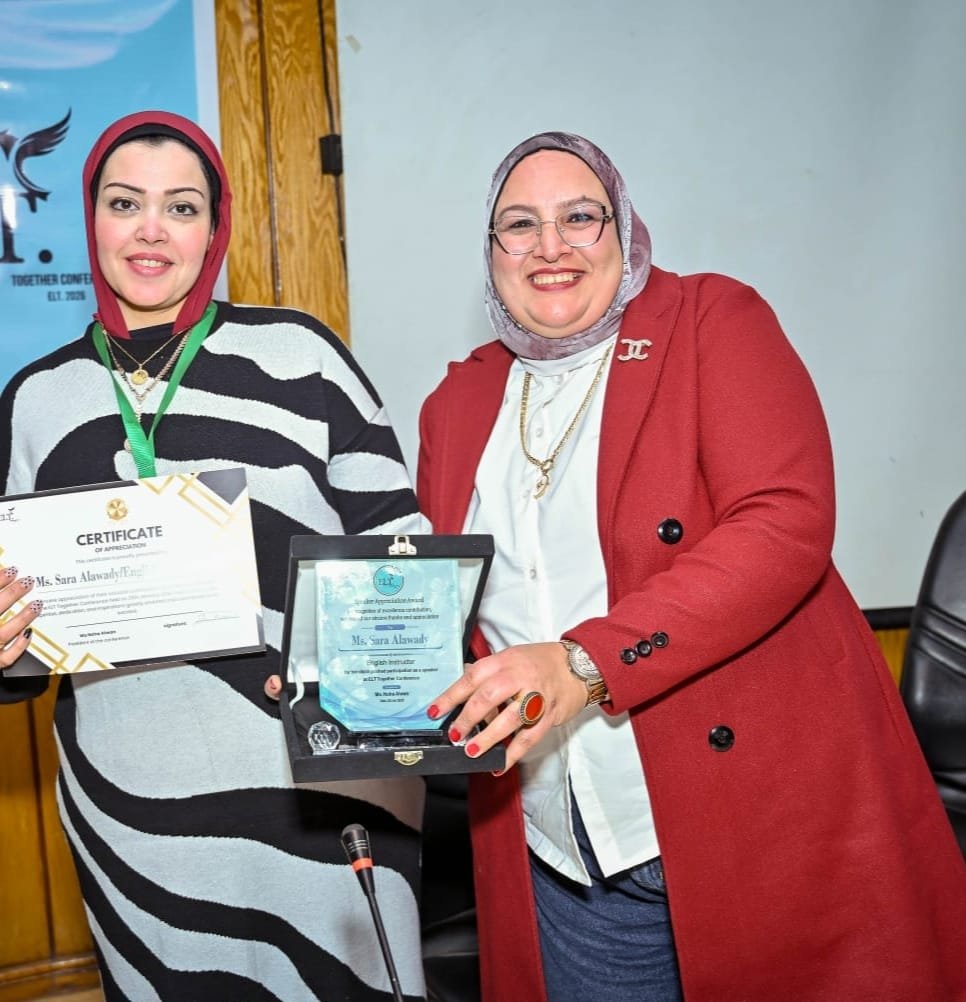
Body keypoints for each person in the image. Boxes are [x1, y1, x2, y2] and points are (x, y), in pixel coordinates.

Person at [417, 132, 966, 1002]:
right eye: (518, 225)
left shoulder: (711, 321)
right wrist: (334, 682)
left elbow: (784, 521)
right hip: (562, 841)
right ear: (491, 252)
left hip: (743, 813)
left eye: (580, 217)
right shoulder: (458, 401)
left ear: (624, 228)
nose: (550, 246)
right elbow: (441, 601)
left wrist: (582, 663)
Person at [0, 110, 428, 1002]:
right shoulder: (36, 400)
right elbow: (19, 653)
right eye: (126, 203)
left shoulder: (303, 357)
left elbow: (406, 558)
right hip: (136, 820)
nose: (152, 230)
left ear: (215, 226)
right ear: (91, 219)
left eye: (182, 207)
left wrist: (334, 674)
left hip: (322, 789)